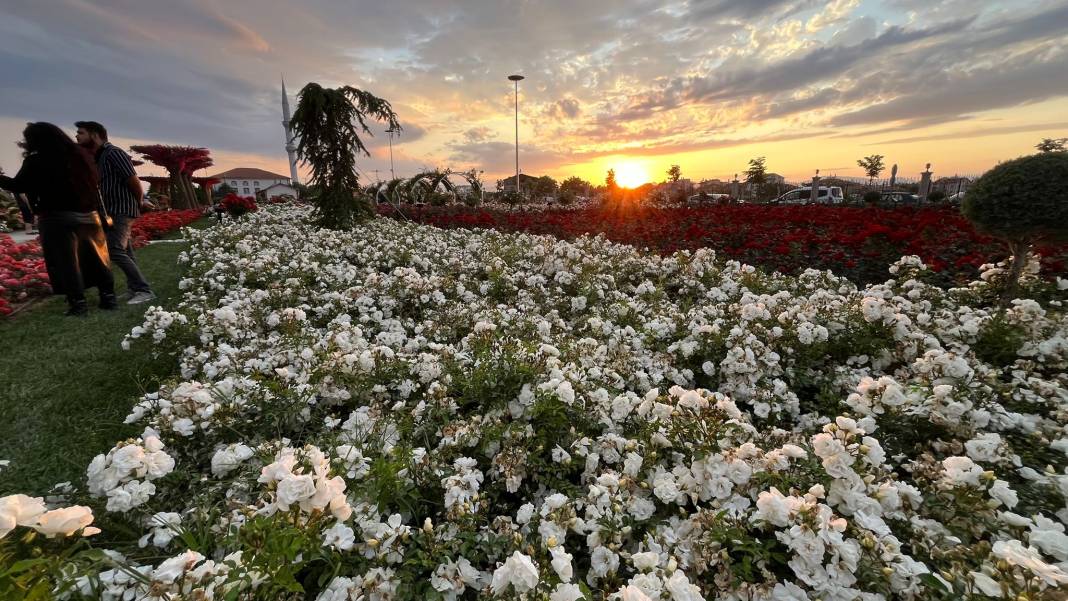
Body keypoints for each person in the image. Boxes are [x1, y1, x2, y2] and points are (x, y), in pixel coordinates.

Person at [0, 122, 116, 316]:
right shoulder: (80, 155)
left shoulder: (36, 159)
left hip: (56, 218)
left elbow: (18, 185)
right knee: (98, 259)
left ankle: (78, 304)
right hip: (89, 216)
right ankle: (108, 297)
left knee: (66, 262)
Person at [74, 121, 155, 304]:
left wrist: (140, 201)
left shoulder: (113, 153)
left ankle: (144, 290)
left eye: (81, 133)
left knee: (114, 249)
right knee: (125, 250)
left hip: (122, 210)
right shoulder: (100, 156)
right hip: (111, 212)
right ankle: (134, 288)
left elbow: (133, 180)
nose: (77, 136)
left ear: (94, 135)